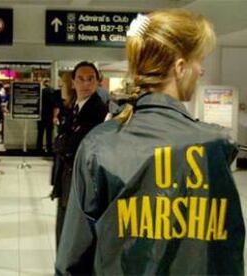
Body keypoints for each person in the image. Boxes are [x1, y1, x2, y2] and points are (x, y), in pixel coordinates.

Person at [56, 10, 245, 275]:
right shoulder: (214, 146)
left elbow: (73, 259)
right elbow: (227, 252)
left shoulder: (100, 143)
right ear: (180, 68)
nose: (201, 70)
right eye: (198, 60)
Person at [53, 62, 108, 248]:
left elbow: (73, 146)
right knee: (63, 227)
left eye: (91, 79)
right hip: (67, 176)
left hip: (82, 179)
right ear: (74, 82)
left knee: (73, 235)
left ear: (98, 82)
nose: (86, 84)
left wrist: (63, 143)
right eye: (81, 79)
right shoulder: (74, 106)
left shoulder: (98, 110)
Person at [37, 79, 58, 153]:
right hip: (50, 115)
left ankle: (39, 148)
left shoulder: (40, 92)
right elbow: (56, 106)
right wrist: (55, 116)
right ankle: (49, 148)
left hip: (41, 115)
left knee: (40, 133)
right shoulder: (53, 92)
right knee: (49, 133)